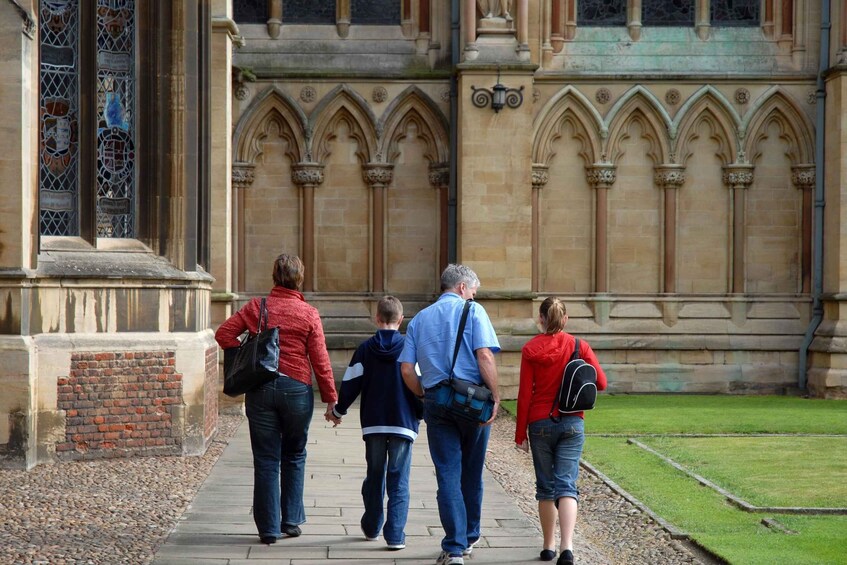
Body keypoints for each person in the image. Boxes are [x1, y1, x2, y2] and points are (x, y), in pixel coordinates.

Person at [214, 253, 338, 545]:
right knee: (294, 454)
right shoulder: (309, 313)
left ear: (274, 277)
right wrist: (332, 399)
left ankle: (268, 528)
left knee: (267, 459)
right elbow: (320, 360)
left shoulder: (258, 307)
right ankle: (291, 521)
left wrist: (247, 354)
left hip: (262, 389)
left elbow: (224, 335)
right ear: (299, 278)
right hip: (297, 390)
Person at [399, 264, 501, 565]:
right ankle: (469, 536)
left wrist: (422, 393)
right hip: (472, 402)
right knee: (472, 471)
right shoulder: (474, 311)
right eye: (473, 291)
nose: (473, 296)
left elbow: (406, 368)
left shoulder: (419, 319)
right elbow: (484, 356)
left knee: (447, 473)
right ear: (461, 288)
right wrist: (496, 396)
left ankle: (454, 548)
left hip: (437, 402)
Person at [515, 297, 607, 565]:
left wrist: (520, 434)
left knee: (545, 487)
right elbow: (601, 382)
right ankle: (567, 548)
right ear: (565, 319)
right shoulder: (579, 345)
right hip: (572, 423)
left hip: (540, 423)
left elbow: (524, 395)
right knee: (567, 486)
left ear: (541, 319)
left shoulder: (530, 349)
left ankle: (548, 546)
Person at [331, 296, 421, 551]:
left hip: (373, 424)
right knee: (399, 478)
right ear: (401, 320)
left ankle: (371, 526)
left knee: (375, 474)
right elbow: (419, 385)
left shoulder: (365, 349)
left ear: (376, 318)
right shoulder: (409, 348)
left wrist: (338, 410)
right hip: (403, 423)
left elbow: (350, 384)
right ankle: (394, 535)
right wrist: (422, 413)